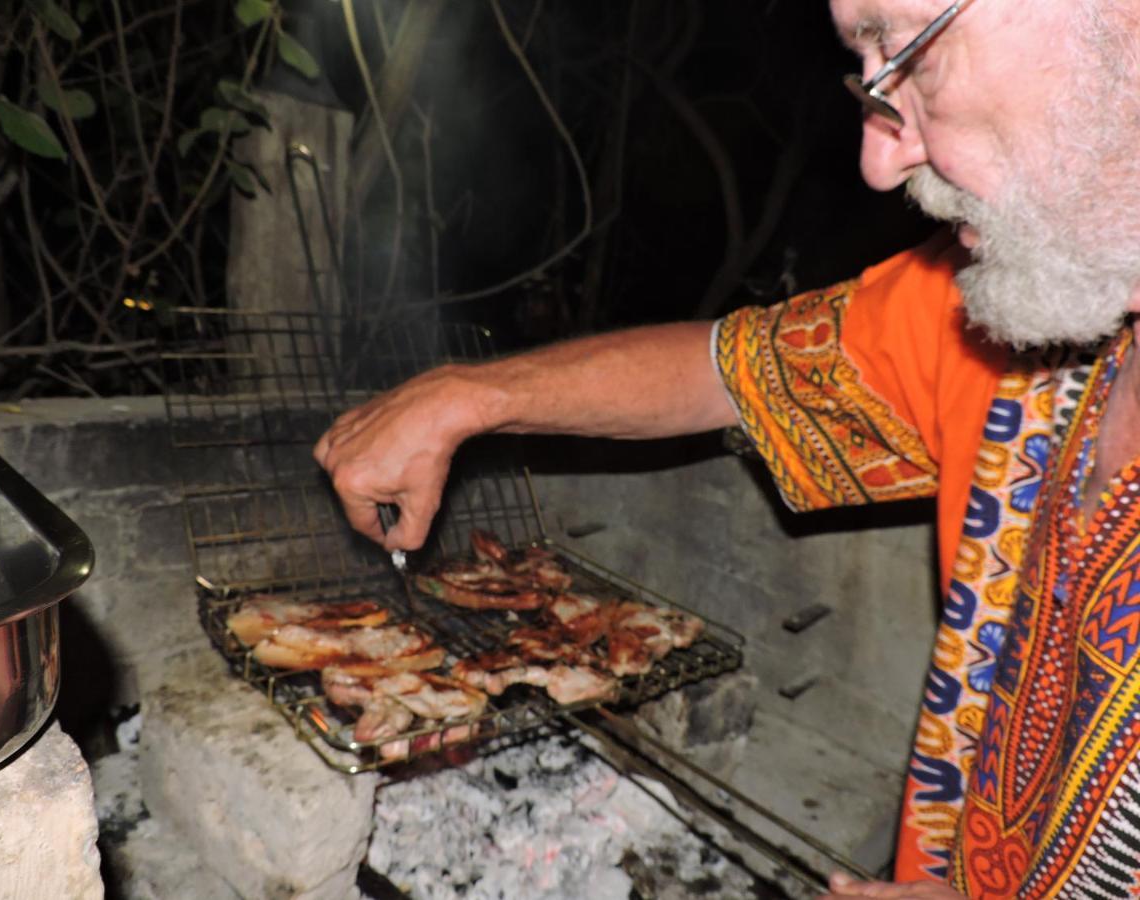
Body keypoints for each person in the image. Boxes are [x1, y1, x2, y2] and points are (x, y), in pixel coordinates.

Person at [314, 0, 1140, 896]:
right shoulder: (1018, 324)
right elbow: (730, 371)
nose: (876, 158)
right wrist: (468, 397)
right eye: (867, 75)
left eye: (911, 57)